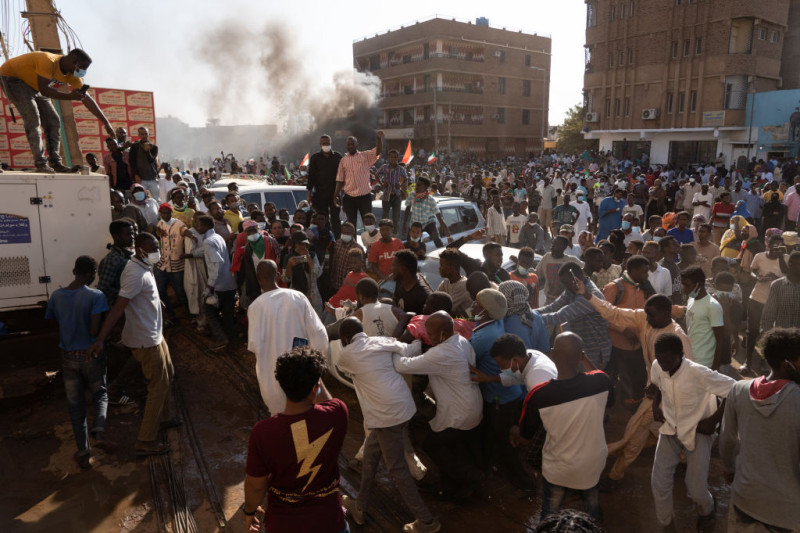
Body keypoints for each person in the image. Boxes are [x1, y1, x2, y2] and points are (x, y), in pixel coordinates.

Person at [337, 318, 440, 533]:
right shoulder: (381, 342)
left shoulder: (346, 354)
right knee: (372, 458)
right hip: (402, 407)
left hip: (386, 416)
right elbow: (410, 350)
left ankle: (427, 521)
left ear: (345, 338)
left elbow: (341, 365)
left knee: (397, 470)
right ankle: (360, 506)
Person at [87, 233, 176, 456]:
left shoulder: (143, 265)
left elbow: (148, 294)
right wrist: (100, 339)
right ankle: (145, 441)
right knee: (158, 386)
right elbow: (118, 308)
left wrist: (159, 304)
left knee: (168, 374)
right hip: (146, 339)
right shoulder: (134, 273)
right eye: (153, 248)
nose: (157, 251)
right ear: (140, 250)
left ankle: (163, 418)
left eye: (158, 246)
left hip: (155, 333)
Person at [243, 346, 348, 533]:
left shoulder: (263, 432)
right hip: (330, 522)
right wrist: (314, 376)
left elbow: (255, 485)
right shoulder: (338, 413)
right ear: (316, 387)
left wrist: (249, 511)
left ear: (281, 384)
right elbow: (325, 400)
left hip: (284, 525)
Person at [516, 332, 614, 520]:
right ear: (581, 356)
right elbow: (605, 385)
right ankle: (593, 521)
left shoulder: (539, 395)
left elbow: (526, 434)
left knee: (550, 512)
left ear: (552, 354)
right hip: (593, 462)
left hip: (559, 468)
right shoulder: (601, 382)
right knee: (592, 501)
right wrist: (584, 360)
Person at [392, 311, 484, 501]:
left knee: (432, 445)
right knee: (454, 447)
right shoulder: (462, 342)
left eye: (431, 334)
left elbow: (403, 365)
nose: (429, 338)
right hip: (473, 404)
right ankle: (454, 485)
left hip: (459, 412)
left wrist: (395, 347)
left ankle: (471, 478)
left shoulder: (441, 353)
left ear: (443, 333)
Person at [649, 333, 735, 532]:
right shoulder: (658, 365)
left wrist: (713, 420)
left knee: (696, 489)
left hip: (698, 430)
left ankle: (707, 510)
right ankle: (666, 524)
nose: (662, 364)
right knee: (659, 482)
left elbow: (734, 390)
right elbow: (658, 383)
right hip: (670, 427)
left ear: (681, 354)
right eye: (659, 359)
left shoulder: (698, 373)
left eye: (667, 360)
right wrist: (655, 404)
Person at [719, 327, 800, 533]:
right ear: (787, 363)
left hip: (745, 498)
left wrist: (729, 468)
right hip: (785, 511)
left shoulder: (738, 390)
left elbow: (727, 439)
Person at [0, 49, 114, 173]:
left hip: (34, 86)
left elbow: (86, 99)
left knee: (53, 121)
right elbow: (44, 90)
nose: (83, 72)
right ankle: (40, 164)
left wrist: (106, 122)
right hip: (12, 79)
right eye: (82, 68)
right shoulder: (48, 61)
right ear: (73, 62)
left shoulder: (71, 74)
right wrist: (70, 96)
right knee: (33, 118)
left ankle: (55, 163)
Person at [45, 256, 110, 470]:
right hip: (91, 354)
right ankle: (99, 427)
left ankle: (83, 450)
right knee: (99, 393)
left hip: (69, 356)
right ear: (92, 273)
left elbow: (54, 321)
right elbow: (93, 330)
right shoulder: (96, 296)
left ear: (74, 271)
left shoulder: (56, 296)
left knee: (75, 406)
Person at [247, 260, 328, 415]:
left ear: (258, 278)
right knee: (306, 421)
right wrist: (317, 368)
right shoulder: (298, 297)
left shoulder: (254, 308)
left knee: (282, 425)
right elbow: (320, 337)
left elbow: (254, 347)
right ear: (278, 275)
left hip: (272, 384)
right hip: (304, 380)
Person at [537, 263, 612, 369]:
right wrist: (531, 313)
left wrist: (534, 319)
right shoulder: (572, 288)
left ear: (578, 277)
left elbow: (560, 316)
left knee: (590, 383)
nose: (566, 287)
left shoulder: (590, 295)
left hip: (594, 351)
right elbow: (553, 307)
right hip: (581, 347)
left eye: (567, 283)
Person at [602, 255, 655, 406]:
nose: (647, 275)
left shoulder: (645, 286)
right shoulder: (614, 287)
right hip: (617, 344)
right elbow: (604, 314)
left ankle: (631, 402)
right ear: (633, 271)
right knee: (617, 376)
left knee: (637, 376)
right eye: (644, 272)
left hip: (638, 343)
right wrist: (623, 330)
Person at [744, 234, 787, 373]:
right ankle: (748, 362)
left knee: (767, 333)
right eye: (774, 244)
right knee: (752, 332)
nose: (777, 248)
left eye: (780, 245)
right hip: (756, 298)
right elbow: (752, 272)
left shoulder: (786, 259)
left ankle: (764, 362)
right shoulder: (759, 256)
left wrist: (776, 278)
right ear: (768, 244)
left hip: (774, 302)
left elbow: (788, 275)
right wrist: (758, 277)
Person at [675, 267, 728, 372]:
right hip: (689, 357)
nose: (684, 288)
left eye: (687, 285)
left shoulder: (712, 306)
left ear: (699, 284)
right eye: (683, 284)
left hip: (704, 362)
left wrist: (714, 368)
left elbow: (720, 340)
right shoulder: (691, 300)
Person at [334, 131, 383, 226]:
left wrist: (379, 139)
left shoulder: (365, 156)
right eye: (349, 144)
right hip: (349, 198)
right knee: (351, 225)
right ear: (346, 146)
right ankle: (353, 241)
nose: (351, 146)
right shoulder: (343, 161)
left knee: (368, 224)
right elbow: (340, 179)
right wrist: (336, 195)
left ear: (357, 145)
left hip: (364, 197)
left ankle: (369, 241)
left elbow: (378, 151)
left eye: (352, 144)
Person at [233, 220, 281, 310]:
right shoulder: (248, 247)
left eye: (253, 231)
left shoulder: (270, 241)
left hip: (273, 276)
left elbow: (278, 257)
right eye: (248, 232)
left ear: (258, 230)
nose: (251, 234)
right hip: (258, 279)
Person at [154, 203, 188, 324]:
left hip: (177, 264)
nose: (165, 215)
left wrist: (191, 235)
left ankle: (189, 315)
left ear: (171, 213)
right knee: (160, 290)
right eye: (163, 213)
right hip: (163, 263)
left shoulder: (178, 224)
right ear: (160, 214)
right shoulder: (160, 224)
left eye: (167, 213)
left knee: (180, 291)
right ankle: (171, 315)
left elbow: (185, 232)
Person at [307, 134, 343, 238]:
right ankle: (324, 239)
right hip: (320, 195)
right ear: (320, 144)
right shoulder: (315, 158)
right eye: (323, 143)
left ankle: (336, 240)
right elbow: (311, 177)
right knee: (322, 219)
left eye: (327, 143)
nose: (326, 145)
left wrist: (340, 193)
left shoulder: (338, 157)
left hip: (334, 194)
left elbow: (342, 176)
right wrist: (309, 194)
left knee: (335, 219)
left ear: (331, 143)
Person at [282, 231, 324, 316]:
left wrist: (308, 259)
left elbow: (318, 273)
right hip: (296, 294)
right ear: (294, 244)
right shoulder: (288, 257)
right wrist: (289, 265)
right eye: (299, 244)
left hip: (313, 294)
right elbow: (285, 279)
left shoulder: (312, 255)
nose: (302, 246)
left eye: (304, 244)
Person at [401, 176, 452, 247]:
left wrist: (448, 236)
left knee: (437, 240)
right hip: (415, 222)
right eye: (416, 185)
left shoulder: (430, 200)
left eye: (419, 185)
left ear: (425, 187)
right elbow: (407, 209)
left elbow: (440, 218)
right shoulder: (412, 195)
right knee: (410, 245)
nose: (416, 187)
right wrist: (404, 225)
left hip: (429, 222)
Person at [97, 219, 135, 307]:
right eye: (128, 234)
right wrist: (127, 294)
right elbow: (103, 288)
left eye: (132, 233)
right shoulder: (112, 260)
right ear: (116, 237)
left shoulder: (128, 255)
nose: (132, 237)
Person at [536, 236, 583, 304]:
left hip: (567, 301)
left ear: (563, 247)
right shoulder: (547, 257)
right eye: (552, 244)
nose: (552, 247)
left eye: (556, 245)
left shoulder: (571, 260)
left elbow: (585, 270)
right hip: (550, 300)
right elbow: (536, 273)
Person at [760, 250, 800, 330]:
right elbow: (769, 314)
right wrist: (765, 333)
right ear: (790, 265)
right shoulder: (777, 285)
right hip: (781, 337)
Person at [436, 248, 473, 318]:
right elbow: (434, 299)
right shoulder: (446, 282)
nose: (439, 268)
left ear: (451, 267)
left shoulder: (463, 285)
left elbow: (446, 309)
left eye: (441, 265)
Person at [392, 249, 431, 315]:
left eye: (393, 265)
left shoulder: (423, 295)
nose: (391, 269)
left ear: (402, 268)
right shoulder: (400, 281)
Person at [377, 148, 407, 232]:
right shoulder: (384, 167)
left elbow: (405, 178)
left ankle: (394, 234)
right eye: (391, 157)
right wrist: (381, 183)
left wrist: (400, 185)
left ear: (397, 158)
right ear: (389, 158)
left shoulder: (401, 169)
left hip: (396, 195)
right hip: (386, 195)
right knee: (385, 215)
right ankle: (383, 231)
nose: (393, 159)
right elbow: (376, 175)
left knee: (396, 216)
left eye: (395, 157)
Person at [329, 222, 364, 292]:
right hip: (336, 282)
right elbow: (334, 262)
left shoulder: (358, 248)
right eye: (344, 232)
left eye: (348, 233)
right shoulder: (337, 243)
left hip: (349, 284)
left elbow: (362, 269)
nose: (345, 235)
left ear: (353, 233)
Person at [129, 127, 160, 201]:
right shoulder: (134, 147)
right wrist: (136, 175)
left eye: (145, 134)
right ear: (139, 135)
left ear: (148, 134)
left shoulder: (154, 147)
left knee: (157, 199)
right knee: (141, 199)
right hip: (141, 179)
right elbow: (132, 162)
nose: (144, 136)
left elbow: (152, 160)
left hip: (152, 178)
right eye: (142, 134)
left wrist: (147, 151)